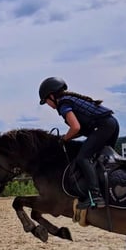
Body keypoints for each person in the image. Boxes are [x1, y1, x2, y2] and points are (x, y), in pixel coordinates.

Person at [38, 76, 119, 209]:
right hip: (111, 124)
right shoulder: (70, 100)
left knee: (83, 158)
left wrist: (63, 139)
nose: (47, 104)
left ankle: (95, 196)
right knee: (101, 159)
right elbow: (80, 130)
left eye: (46, 101)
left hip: (103, 127)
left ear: (51, 96)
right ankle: (108, 189)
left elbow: (75, 127)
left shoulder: (63, 104)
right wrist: (67, 137)